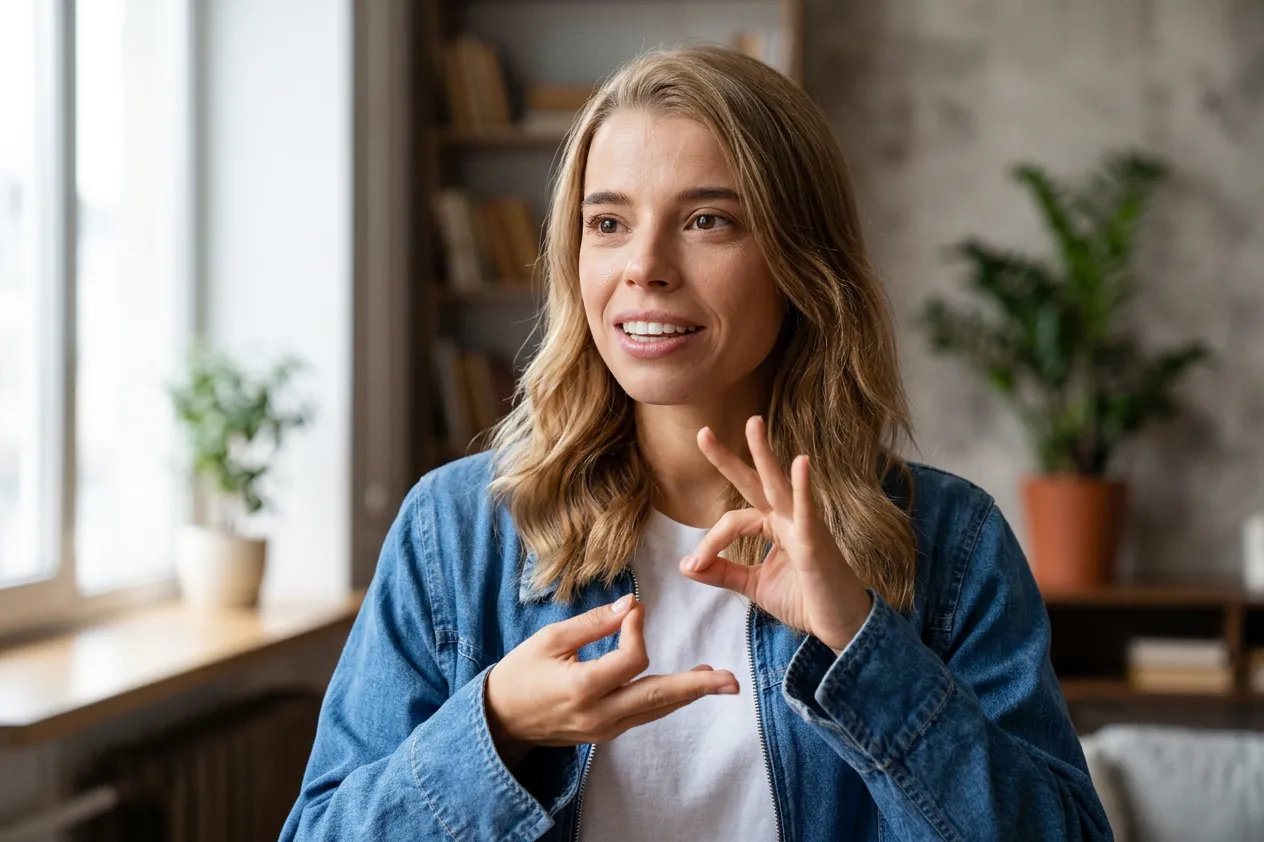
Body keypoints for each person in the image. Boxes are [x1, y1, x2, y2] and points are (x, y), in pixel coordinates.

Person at [280, 45, 1111, 842]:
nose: (644, 266)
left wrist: (864, 643)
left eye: (708, 220)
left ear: (800, 261)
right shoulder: (456, 532)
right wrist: (496, 725)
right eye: (607, 221)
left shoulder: (950, 542)